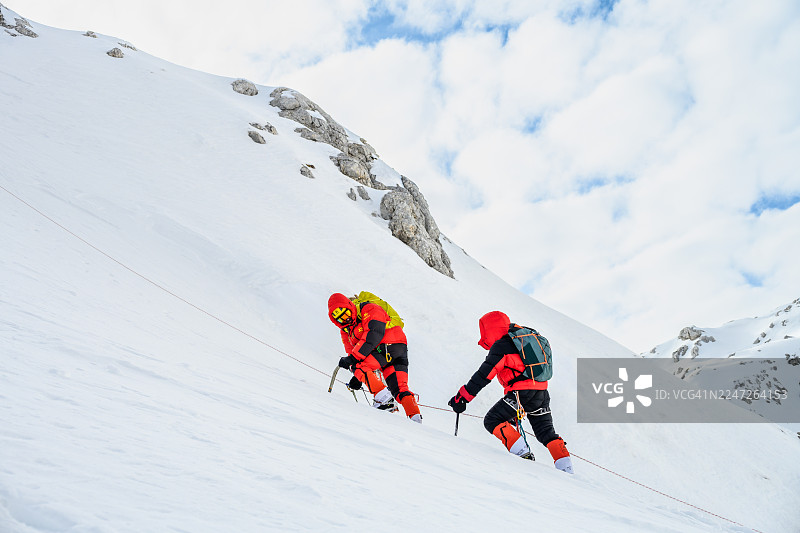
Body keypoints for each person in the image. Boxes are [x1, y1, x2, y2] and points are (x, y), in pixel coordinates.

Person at [448, 311, 573, 473]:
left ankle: (523, 455)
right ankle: (567, 469)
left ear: (490, 329)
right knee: (546, 433)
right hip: (542, 393)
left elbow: (484, 375)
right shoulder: (522, 340)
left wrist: (462, 397)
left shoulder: (502, 346)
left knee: (492, 420)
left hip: (521, 394)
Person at [328, 292, 422, 423]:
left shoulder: (369, 308)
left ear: (350, 306)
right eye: (339, 318)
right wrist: (357, 376)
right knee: (400, 389)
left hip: (387, 345)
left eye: (346, 313)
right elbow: (352, 353)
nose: (345, 319)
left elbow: (375, 333)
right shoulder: (346, 331)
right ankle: (415, 418)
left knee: (356, 364)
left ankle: (384, 399)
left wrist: (354, 364)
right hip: (394, 351)